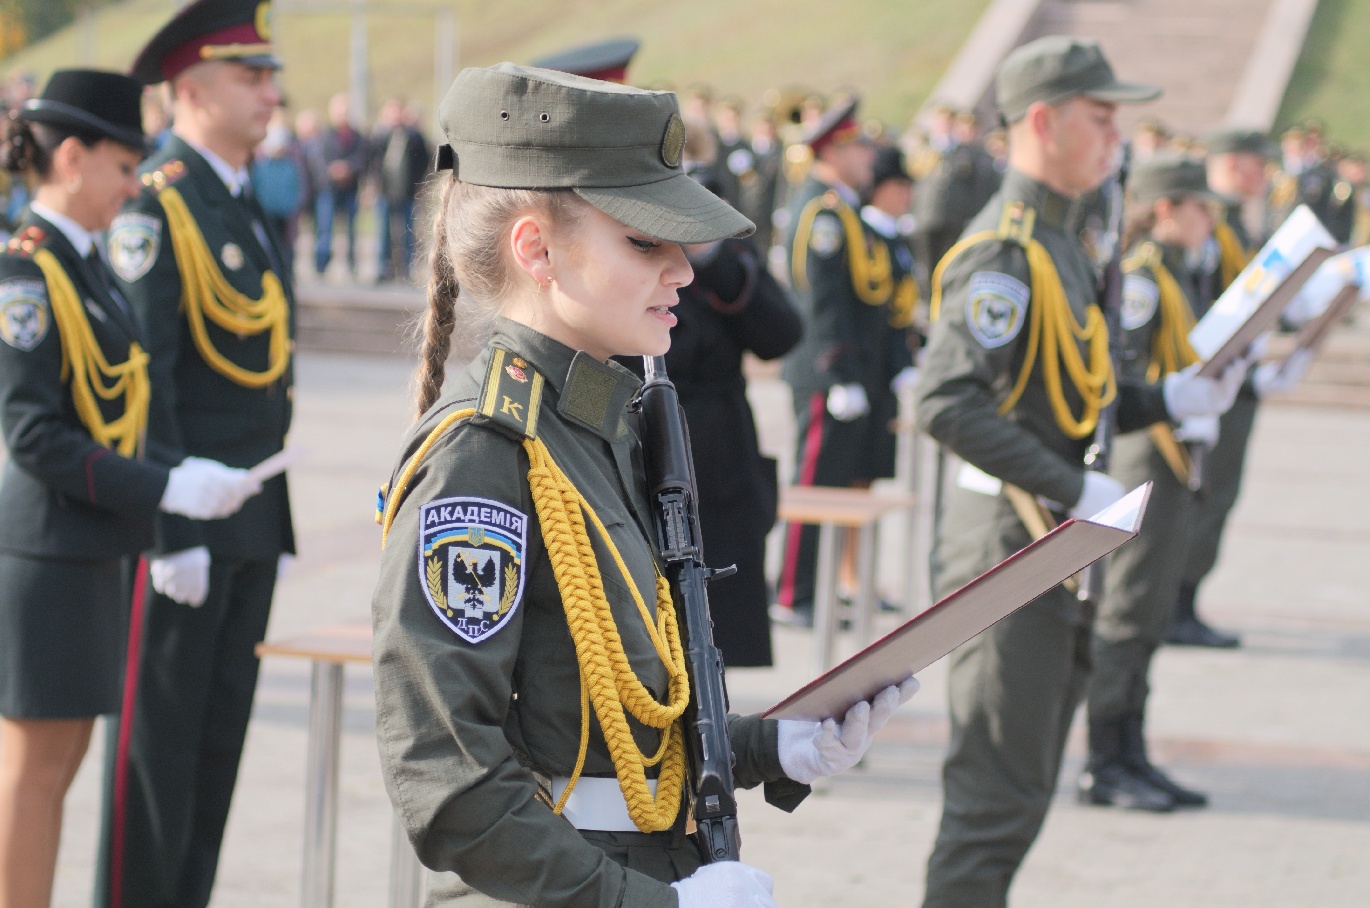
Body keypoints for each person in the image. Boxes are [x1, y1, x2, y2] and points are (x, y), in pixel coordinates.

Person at [371, 62, 918, 907]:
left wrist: (772, 746)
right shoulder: (485, 452)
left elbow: (610, 716)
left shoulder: (597, 419)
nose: (683, 272)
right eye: (643, 242)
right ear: (536, 249)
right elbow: (447, 779)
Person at [913, 37, 1247, 907]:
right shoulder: (1006, 252)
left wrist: (1162, 398)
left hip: (1049, 543)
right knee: (992, 805)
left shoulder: (1063, 240)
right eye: (1100, 118)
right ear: (1043, 122)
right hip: (1006, 547)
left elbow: (1073, 397)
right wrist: (1073, 486)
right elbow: (946, 402)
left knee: (1020, 798)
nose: (1115, 138)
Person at [0, 69, 253, 908]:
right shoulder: (27, 274)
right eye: (120, 167)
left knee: (59, 766)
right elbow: (34, 435)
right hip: (46, 555)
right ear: (71, 159)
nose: (131, 186)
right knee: (33, 774)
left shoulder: (84, 264)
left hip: (86, 551)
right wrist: (164, 487)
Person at [98, 2, 297, 905]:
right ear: (189, 88)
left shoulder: (237, 194)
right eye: (249, 76)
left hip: (250, 510)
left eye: (270, 75)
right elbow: (142, 378)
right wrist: (168, 530)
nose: (270, 92)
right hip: (184, 521)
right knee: (159, 759)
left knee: (215, 755)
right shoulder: (157, 201)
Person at [1078, 154, 1226, 813]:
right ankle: (1105, 759)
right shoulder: (1142, 277)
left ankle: (1131, 749)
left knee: (1150, 611)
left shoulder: (1171, 271)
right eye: (1200, 207)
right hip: (1146, 457)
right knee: (1127, 611)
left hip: (1169, 457)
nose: (1209, 220)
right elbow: (1126, 376)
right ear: (1167, 208)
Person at [627, 114, 802, 667]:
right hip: (643, 439)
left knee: (720, 631)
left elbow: (780, 334)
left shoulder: (722, 231)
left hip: (721, 450)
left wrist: (711, 255)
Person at [773, 97, 881, 627]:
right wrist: (838, 372)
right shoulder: (822, 212)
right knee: (814, 485)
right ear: (834, 151)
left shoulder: (837, 205)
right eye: (858, 147)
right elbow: (823, 302)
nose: (869, 156)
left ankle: (815, 589)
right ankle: (793, 593)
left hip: (836, 370)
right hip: (823, 371)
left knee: (831, 484)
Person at [368, 96, 431, 283]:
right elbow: (372, 161)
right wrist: (372, 186)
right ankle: (383, 267)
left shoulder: (413, 136)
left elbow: (424, 161)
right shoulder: (380, 135)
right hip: (385, 192)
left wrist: (420, 184)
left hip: (407, 191)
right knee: (383, 231)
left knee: (407, 232)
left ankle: (407, 270)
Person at [309, 91, 365, 278]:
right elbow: (318, 160)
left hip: (350, 188)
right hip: (329, 189)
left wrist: (348, 168)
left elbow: (362, 159)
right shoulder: (324, 136)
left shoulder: (357, 136)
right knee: (325, 229)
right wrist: (332, 171)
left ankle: (352, 266)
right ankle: (321, 265)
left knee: (351, 231)